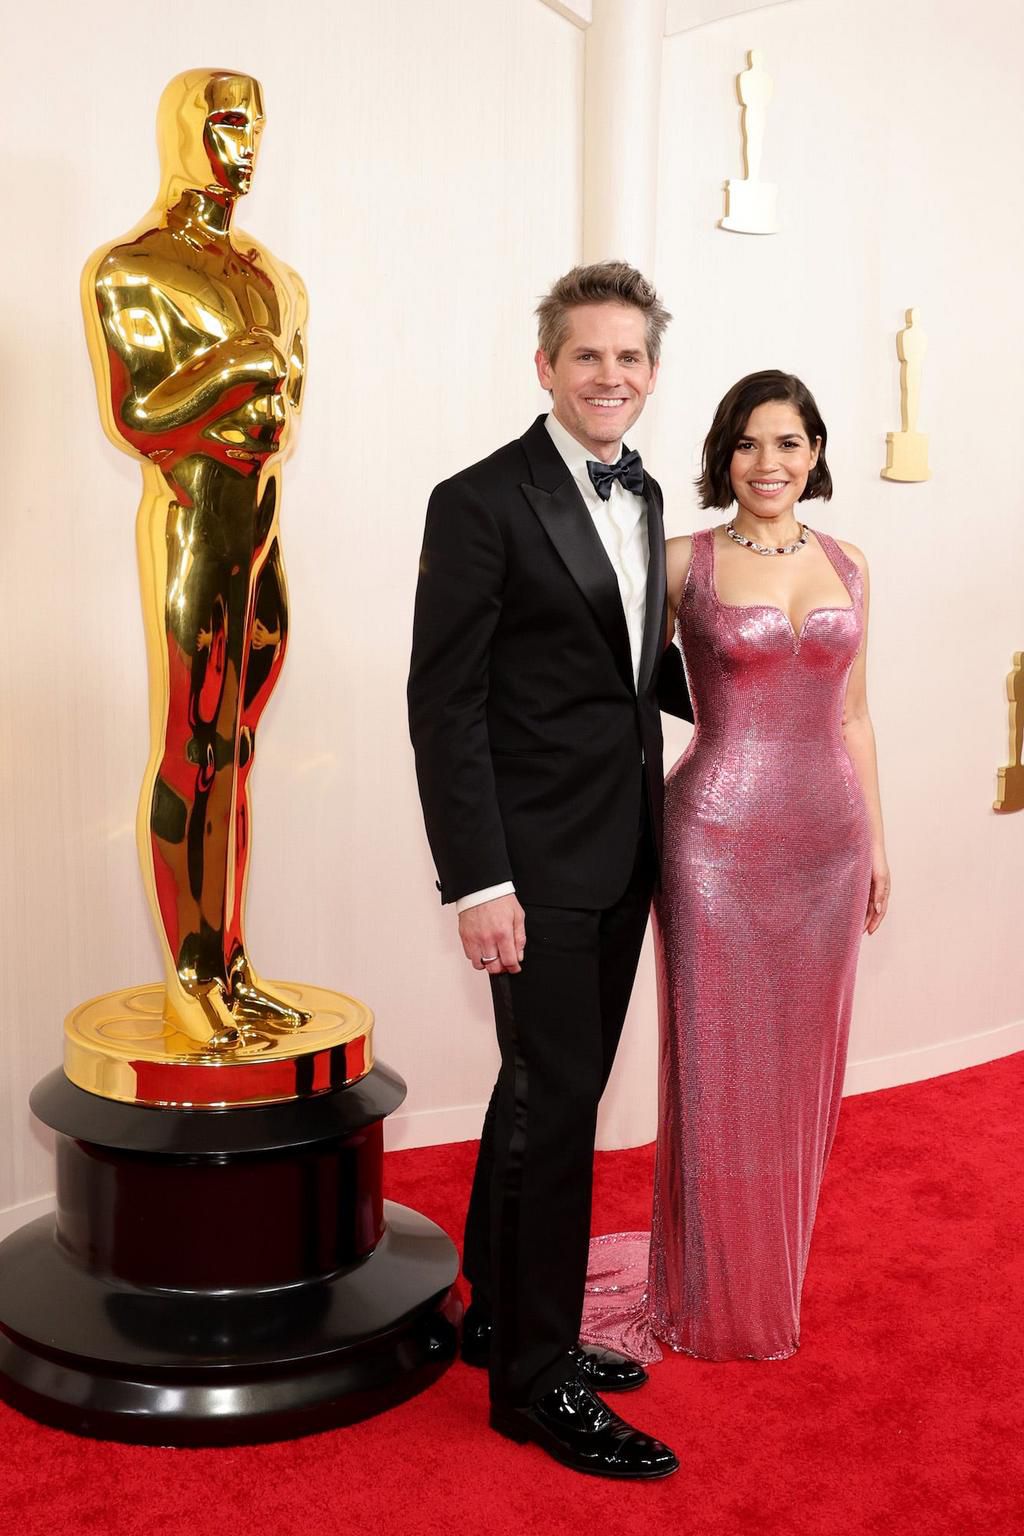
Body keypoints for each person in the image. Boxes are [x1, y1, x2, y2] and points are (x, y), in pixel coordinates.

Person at [408, 262, 692, 1478]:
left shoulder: (647, 497)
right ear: (545, 365)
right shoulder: (477, 501)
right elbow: (443, 704)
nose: (610, 377)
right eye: (588, 356)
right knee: (559, 1107)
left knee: (538, 1091)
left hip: (625, 843)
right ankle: (537, 1381)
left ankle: (495, 1318)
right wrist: (478, 882)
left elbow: (621, 672)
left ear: (650, 372)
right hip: (529, 864)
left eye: (630, 358)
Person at [582, 370, 890, 1363]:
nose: (771, 464)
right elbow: (609, 695)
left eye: (790, 443)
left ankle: (769, 1271)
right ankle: (707, 1294)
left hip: (828, 845)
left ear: (815, 452)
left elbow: (853, 716)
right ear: (724, 455)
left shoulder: (849, 565)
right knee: (717, 1070)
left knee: (802, 1067)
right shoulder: (681, 561)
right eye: (751, 444)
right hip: (712, 840)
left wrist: (878, 843)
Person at [82, 69, 309, 1047]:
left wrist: (259, 379)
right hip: (191, 524)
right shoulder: (132, 268)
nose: (244, 147)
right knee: (192, 750)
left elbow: (283, 417)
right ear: (185, 132)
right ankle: (188, 973)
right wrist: (239, 364)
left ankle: (231, 961)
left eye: (254, 127)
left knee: (239, 754)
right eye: (225, 125)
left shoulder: (271, 275)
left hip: (260, 531)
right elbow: (137, 417)